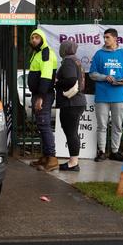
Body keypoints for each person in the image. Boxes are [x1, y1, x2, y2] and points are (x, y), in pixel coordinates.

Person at [89, 28, 123, 162]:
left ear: (116, 39)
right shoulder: (99, 54)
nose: (105, 40)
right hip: (102, 95)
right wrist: (104, 77)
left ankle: (115, 151)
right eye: (104, 37)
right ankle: (101, 151)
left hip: (119, 95)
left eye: (108, 37)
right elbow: (92, 74)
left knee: (117, 125)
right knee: (102, 125)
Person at [27, 29, 58, 172]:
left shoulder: (46, 53)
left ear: (43, 39)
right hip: (39, 94)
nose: (34, 40)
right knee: (41, 125)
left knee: (44, 125)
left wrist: (40, 97)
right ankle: (46, 157)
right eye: (32, 37)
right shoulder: (37, 53)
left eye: (37, 37)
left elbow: (46, 77)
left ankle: (52, 159)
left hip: (43, 95)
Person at [55, 41, 86, 171]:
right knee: (71, 131)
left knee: (71, 132)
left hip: (71, 103)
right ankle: (73, 161)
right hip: (77, 102)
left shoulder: (68, 62)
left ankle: (73, 163)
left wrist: (57, 82)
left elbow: (71, 80)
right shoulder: (76, 60)